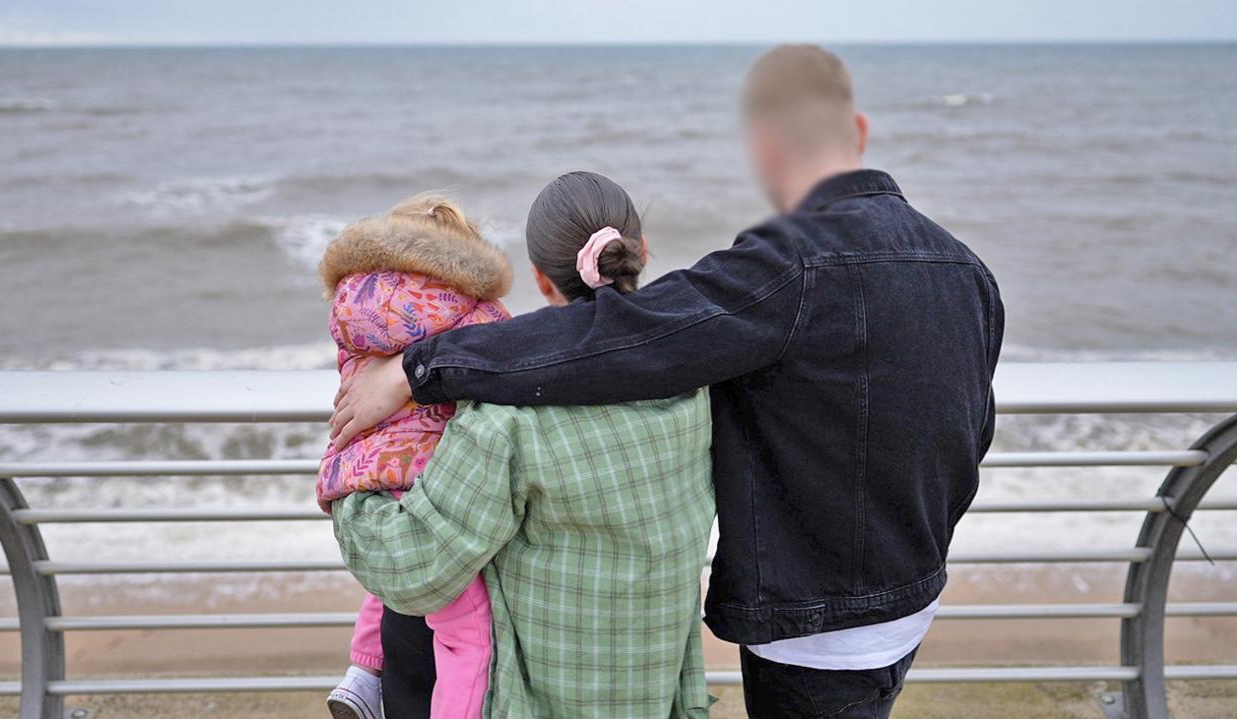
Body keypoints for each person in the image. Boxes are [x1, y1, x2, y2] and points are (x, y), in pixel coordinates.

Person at [330, 45, 1005, 718]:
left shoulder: (788, 266)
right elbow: (970, 431)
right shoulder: (966, 267)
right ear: (857, 132)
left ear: (765, 146)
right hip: (910, 601)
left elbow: (620, 336)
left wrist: (414, 374)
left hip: (810, 629)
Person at [332, 171, 716, 718]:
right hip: (654, 695)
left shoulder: (506, 420)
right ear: (641, 251)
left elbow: (414, 571)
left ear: (539, 279)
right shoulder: (697, 388)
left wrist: (349, 479)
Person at [315, 194, 512, 719]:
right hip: (433, 489)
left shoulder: (354, 305)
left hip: (366, 483)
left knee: (390, 579)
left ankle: (362, 675)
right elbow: (512, 354)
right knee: (466, 632)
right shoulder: (475, 315)